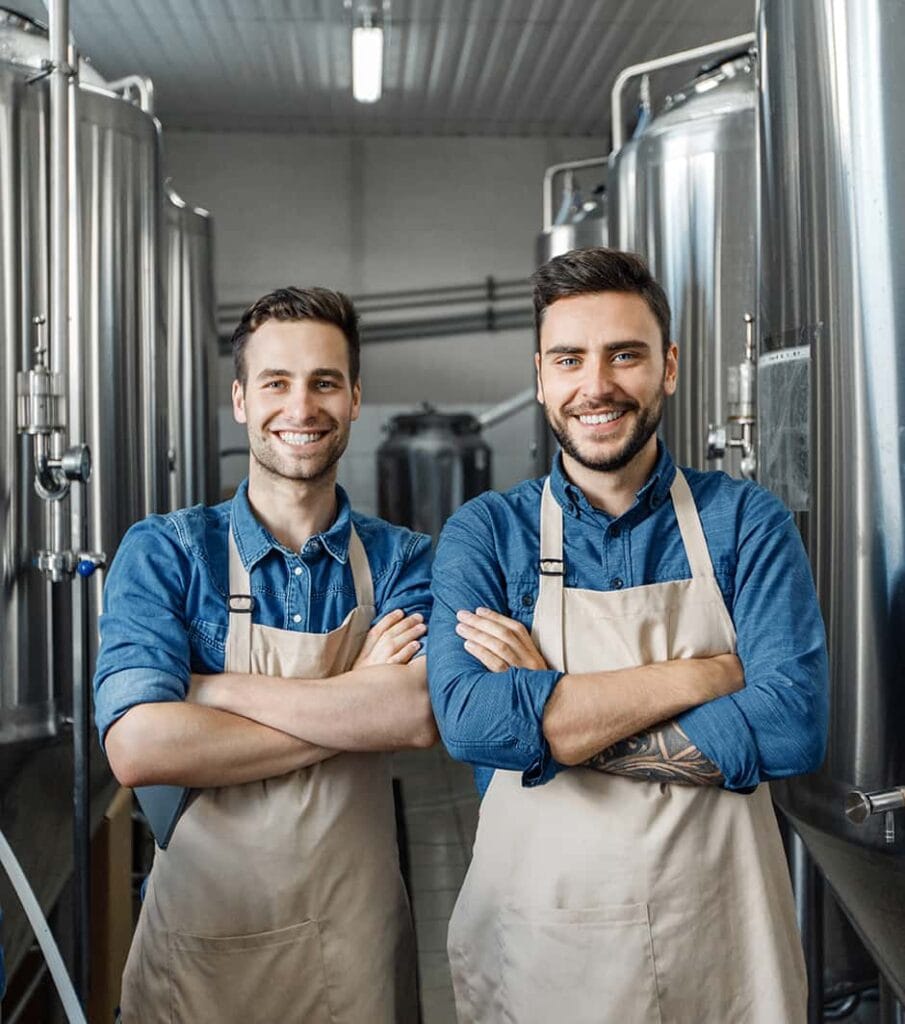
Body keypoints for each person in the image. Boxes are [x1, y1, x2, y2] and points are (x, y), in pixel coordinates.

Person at [428, 248, 827, 1024]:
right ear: (541, 375)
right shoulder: (485, 534)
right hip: (541, 951)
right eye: (569, 359)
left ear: (667, 367)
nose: (596, 385)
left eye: (625, 355)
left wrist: (549, 724)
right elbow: (471, 723)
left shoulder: (746, 523)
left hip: (719, 951)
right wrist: (705, 675)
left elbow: (790, 727)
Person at [94, 286, 437, 1024]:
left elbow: (411, 715)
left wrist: (211, 693)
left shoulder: (404, 559)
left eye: (324, 382)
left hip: (356, 962)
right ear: (241, 400)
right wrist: (353, 699)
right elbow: (140, 746)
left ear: (353, 400)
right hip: (202, 962)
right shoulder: (167, 552)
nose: (301, 406)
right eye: (276, 382)